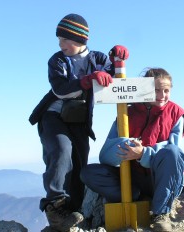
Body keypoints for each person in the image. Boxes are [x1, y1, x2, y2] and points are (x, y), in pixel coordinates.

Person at [28, 13, 129, 231]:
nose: (60, 44)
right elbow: (60, 89)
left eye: (65, 39)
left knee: (80, 161)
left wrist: (118, 59)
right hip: (52, 116)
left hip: (79, 120)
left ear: (80, 39)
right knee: (62, 150)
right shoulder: (57, 60)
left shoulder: (98, 59)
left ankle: (74, 211)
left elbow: (115, 78)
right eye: (59, 39)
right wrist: (87, 80)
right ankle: (55, 209)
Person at [80, 67, 184, 231]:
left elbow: (172, 150)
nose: (161, 96)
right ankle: (135, 195)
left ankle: (161, 214)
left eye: (166, 90)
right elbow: (105, 156)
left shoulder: (176, 113)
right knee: (89, 173)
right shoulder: (126, 113)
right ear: (145, 89)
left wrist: (143, 153)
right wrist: (127, 147)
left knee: (172, 153)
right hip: (134, 177)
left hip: (164, 176)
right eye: (156, 90)